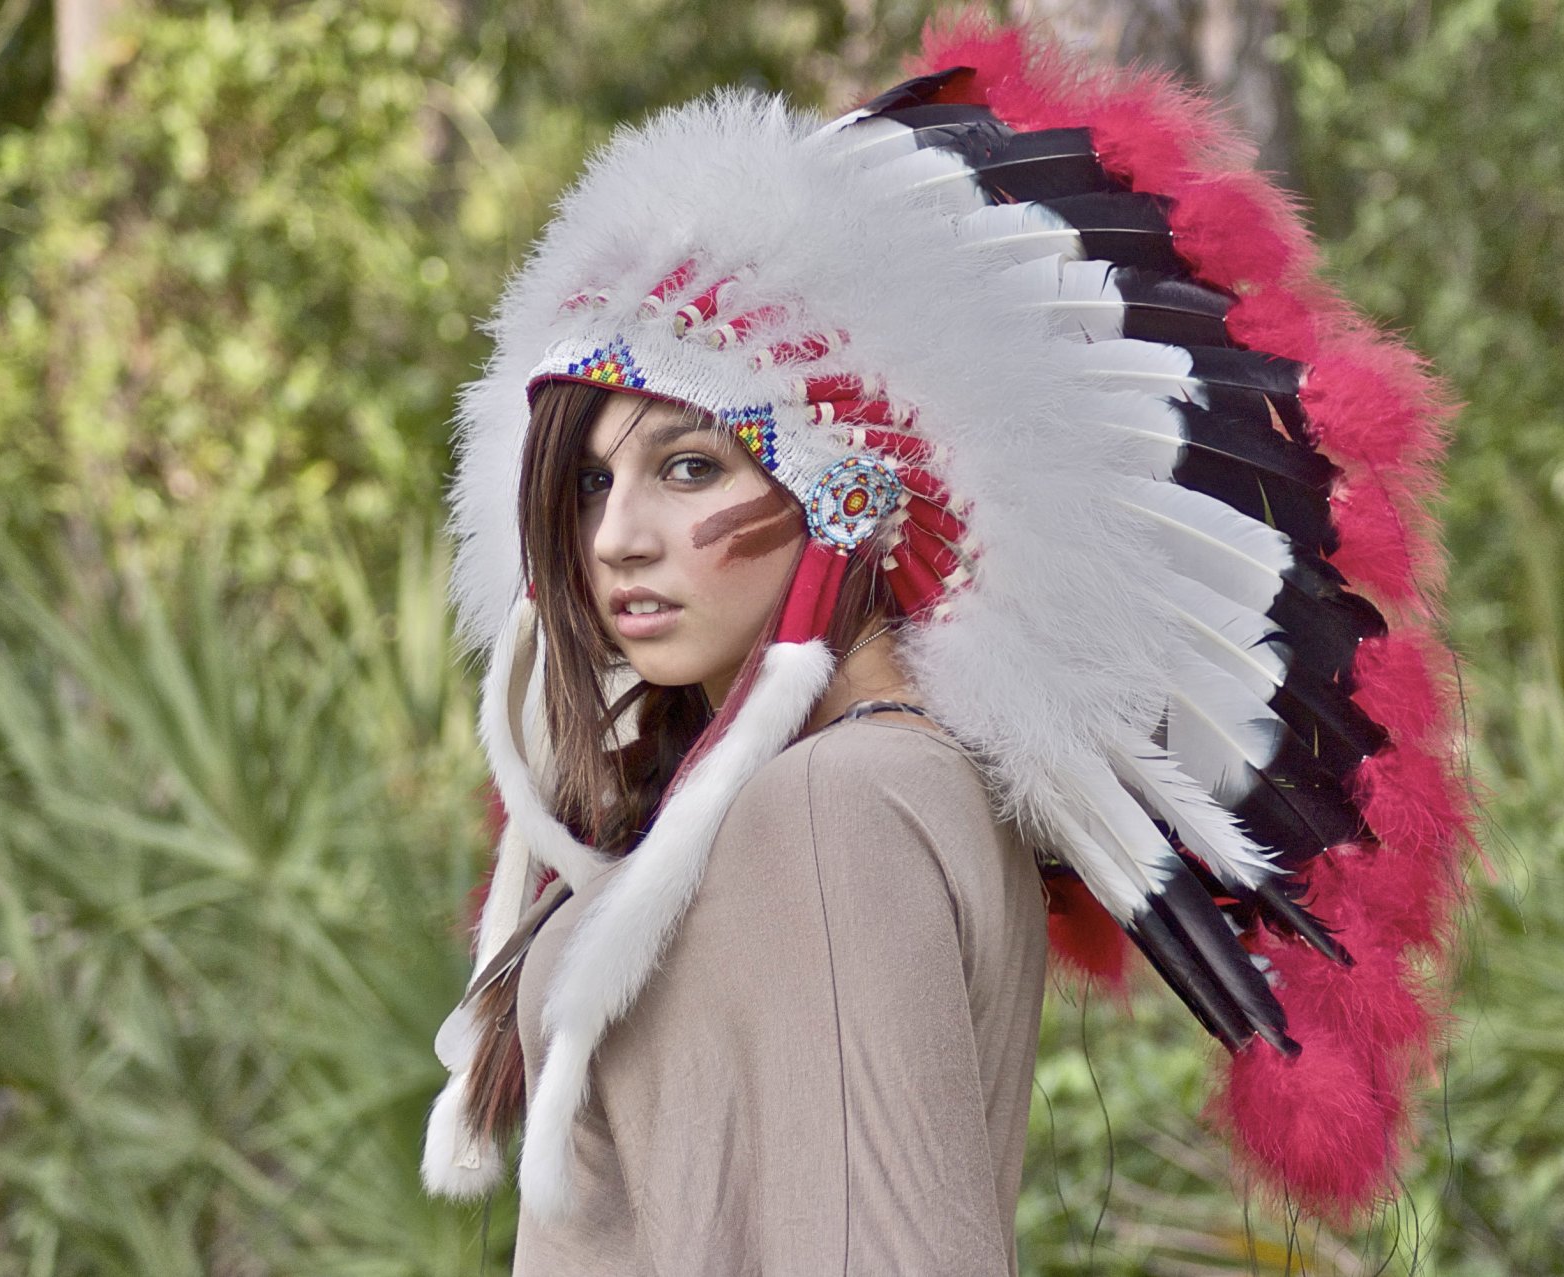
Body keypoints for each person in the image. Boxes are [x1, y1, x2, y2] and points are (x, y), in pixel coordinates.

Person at [421, 19, 1469, 1272]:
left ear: (844, 490)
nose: (620, 539)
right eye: (588, 487)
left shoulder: (838, 805)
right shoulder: (841, 787)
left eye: (688, 466)